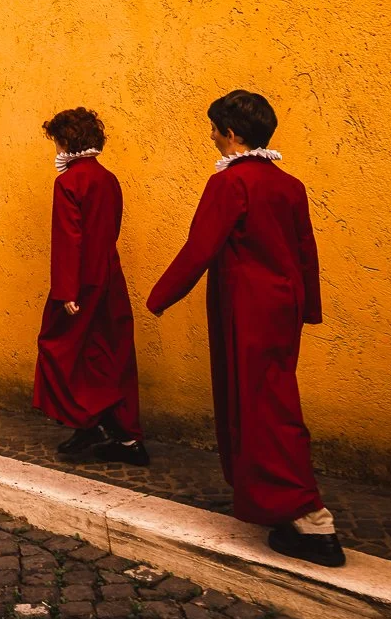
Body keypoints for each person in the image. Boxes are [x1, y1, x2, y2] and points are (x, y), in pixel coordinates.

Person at [148, 90, 341, 569]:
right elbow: (305, 250)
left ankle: (307, 515)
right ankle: (283, 504)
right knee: (273, 397)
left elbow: (200, 247)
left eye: (214, 129)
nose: (211, 138)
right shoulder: (289, 184)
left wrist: (160, 297)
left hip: (247, 309)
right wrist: (308, 308)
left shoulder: (230, 184)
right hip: (283, 309)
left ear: (232, 134)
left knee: (261, 406)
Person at [35, 108, 145, 465]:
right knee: (112, 355)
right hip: (110, 277)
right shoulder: (108, 179)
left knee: (62, 350)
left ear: (67, 142)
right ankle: (125, 436)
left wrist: (67, 290)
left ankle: (90, 421)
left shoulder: (69, 182)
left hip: (81, 283)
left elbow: (70, 238)